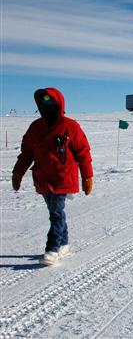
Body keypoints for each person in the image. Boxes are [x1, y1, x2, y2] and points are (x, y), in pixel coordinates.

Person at [11, 88, 93, 266]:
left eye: (50, 103)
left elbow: (83, 153)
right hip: (43, 179)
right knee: (55, 212)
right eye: (43, 103)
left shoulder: (70, 126)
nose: (46, 106)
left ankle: (52, 248)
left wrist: (87, 177)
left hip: (63, 178)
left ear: (58, 105)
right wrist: (17, 172)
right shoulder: (35, 128)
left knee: (56, 213)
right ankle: (64, 243)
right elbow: (26, 153)